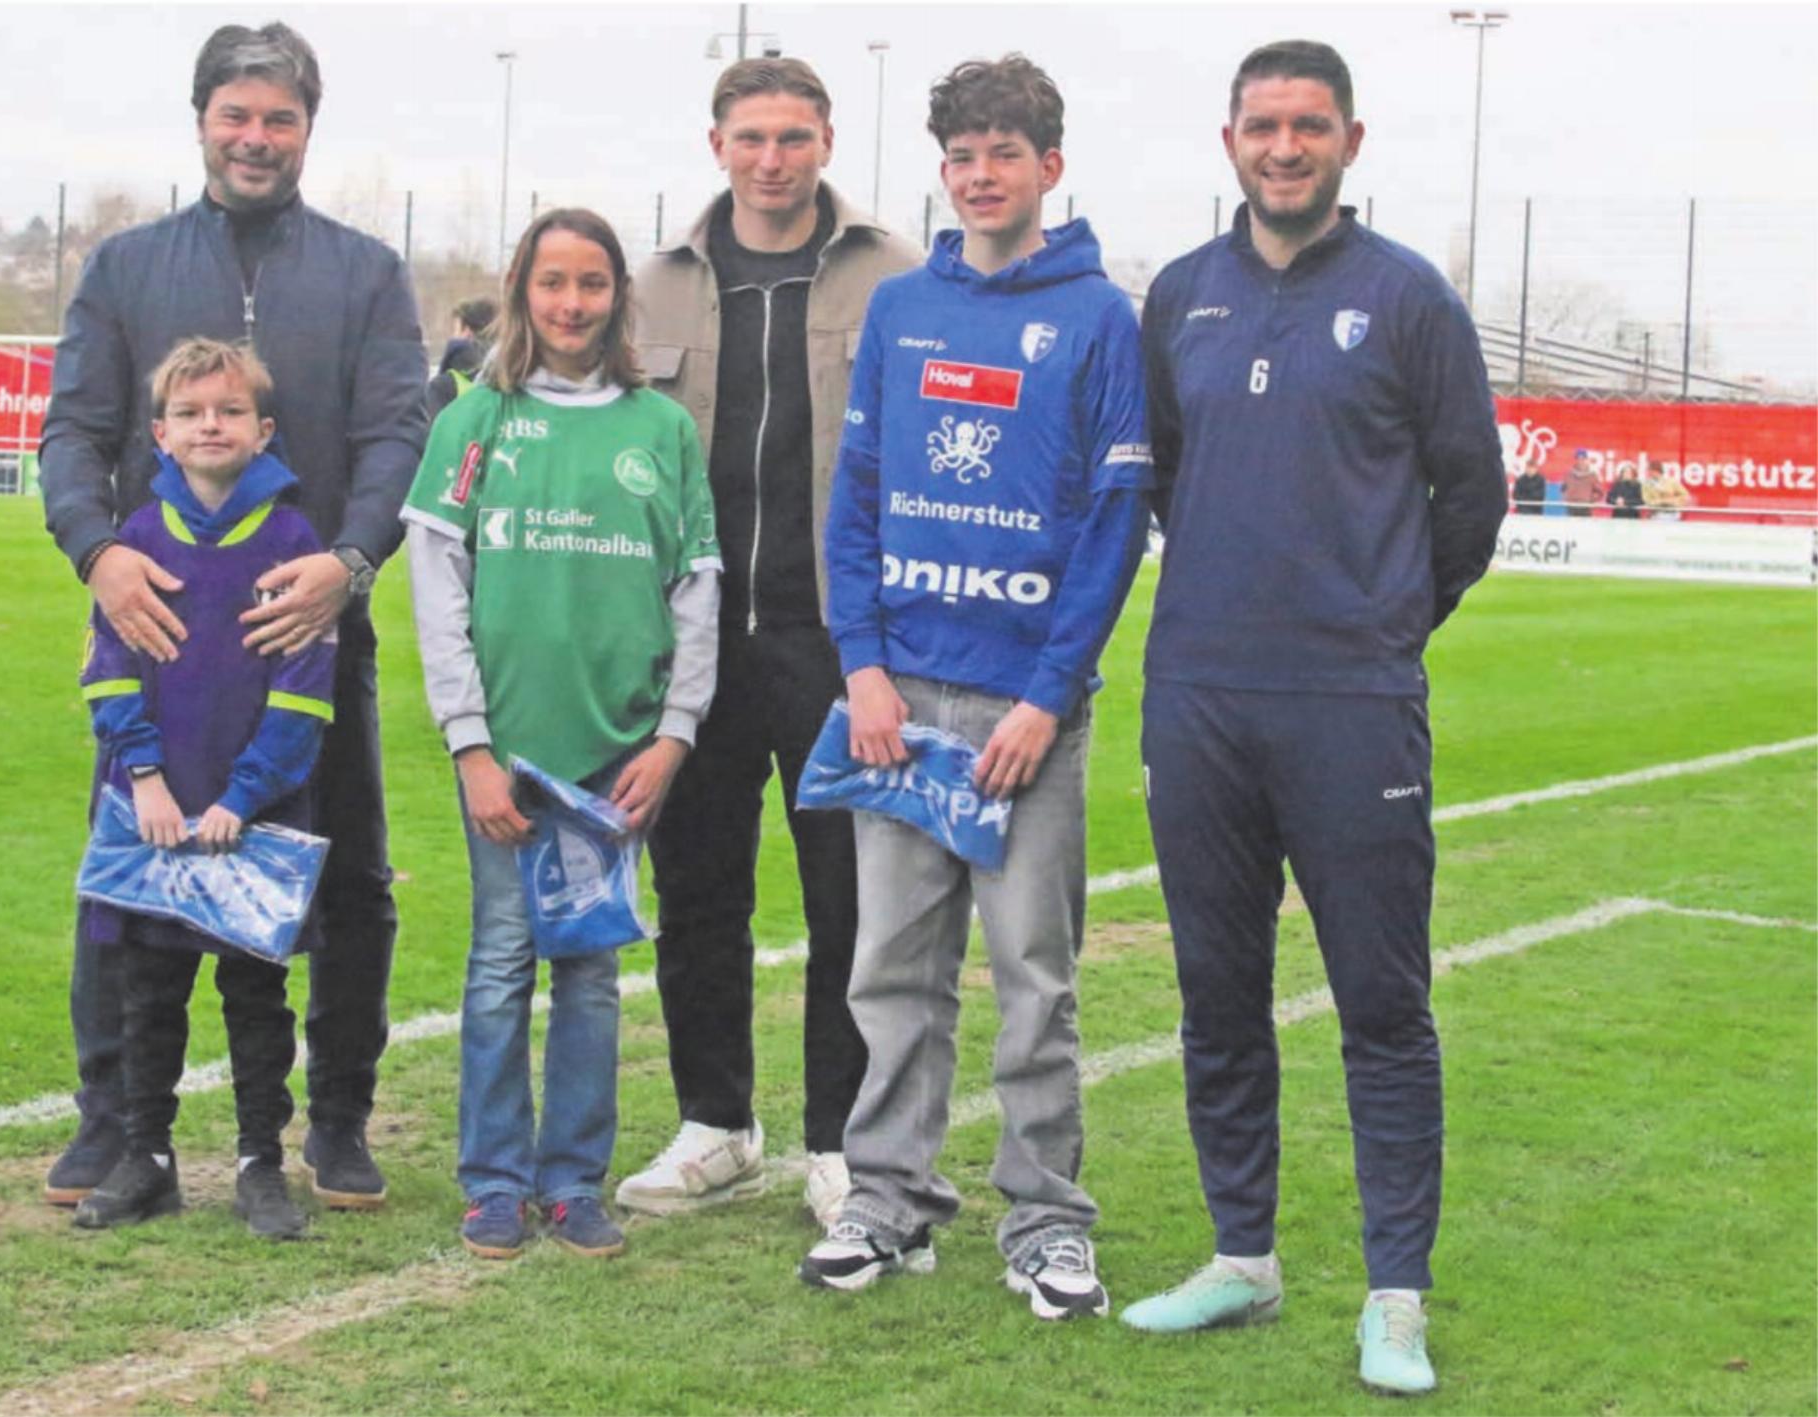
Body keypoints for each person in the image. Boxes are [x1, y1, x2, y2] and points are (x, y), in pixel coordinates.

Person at [1126, 40, 1507, 1393]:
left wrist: (1384, 619)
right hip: (1203, 696)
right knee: (1217, 992)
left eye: (1308, 126)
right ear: (1228, 138)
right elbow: (1166, 475)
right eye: (1262, 126)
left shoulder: (1409, 299)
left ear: (1351, 138)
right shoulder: (1179, 295)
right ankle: (1243, 1256)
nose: (1283, 147)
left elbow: (1471, 498)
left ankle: (1394, 1295)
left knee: (1382, 1005)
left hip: (1354, 701)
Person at [39, 21, 426, 1212]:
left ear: (309, 127)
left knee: (345, 873)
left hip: (312, 636)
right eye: (237, 116)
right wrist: (100, 554)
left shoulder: (365, 271)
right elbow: (73, 432)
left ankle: (336, 1123)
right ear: (200, 118)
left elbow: (393, 438)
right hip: (155, 634)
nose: (257, 139)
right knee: (127, 868)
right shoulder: (127, 265)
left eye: (280, 118)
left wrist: (350, 562)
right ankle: (114, 1124)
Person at [797, 54, 1151, 1322]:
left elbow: (1115, 521)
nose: (981, 175)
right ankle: (888, 1202)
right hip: (901, 703)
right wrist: (865, 669)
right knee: (889, 970)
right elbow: (859, 494)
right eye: (961, 157)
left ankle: (1049, 1223)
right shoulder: (904, 309)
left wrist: (1049, 699)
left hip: (1024, 718)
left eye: (1004, 154)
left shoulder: (1101, 317)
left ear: (1049, 168)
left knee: (1033, 979)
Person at [620, 58, 920, 1229]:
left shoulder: (896, 272)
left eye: (794, 137)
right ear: (717, 145)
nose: (772, 159)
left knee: (849, 896)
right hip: (693, 648)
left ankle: (838, 1142)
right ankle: (715, 1122)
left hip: (836, 643)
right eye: (751, 138)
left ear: (827, 141)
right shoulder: (655, 284)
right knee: (696, 890)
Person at [402, 208, 723, 1261]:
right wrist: (469, 742)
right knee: (500, 960)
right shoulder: (473, 421)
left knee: (587, 969)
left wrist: (674, 733)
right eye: (552, 283)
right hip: (503, 751)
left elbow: (695, 591)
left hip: (615, 757)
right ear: (521, 290)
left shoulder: (659, 429)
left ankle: (575, 1181)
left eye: (592, 284)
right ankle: (493, 1180)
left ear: (618, 297)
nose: (571, 304)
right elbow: (437, 591)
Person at [72, 338, 333, 1241]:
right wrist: (142, 776)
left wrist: (247, 794)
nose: (209, 424)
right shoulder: (135, 540)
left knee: (257, 998)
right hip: (156, 811)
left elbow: (304, 687)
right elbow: (108, 669)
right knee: (149, 992)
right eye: (190, 413)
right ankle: (147, 1157)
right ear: (160, 434)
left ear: (264, 431)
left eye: (228, 411)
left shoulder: (294, 540)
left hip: (253, 815)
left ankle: (262, 1161)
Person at [426, 297, 497, 421]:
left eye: (456, 330)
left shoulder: (443, 386)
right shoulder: (517, 378)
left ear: (467, 332)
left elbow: (434, 436)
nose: (453, 336)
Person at [1563, 448, 1603, 517]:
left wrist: (1591, 501)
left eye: (1582, 459)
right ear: (1576, 460)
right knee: (1571, 527)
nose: (1580, 461)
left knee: (1586, 527)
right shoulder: (1569, 474)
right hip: (1572, 507)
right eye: (1578, 459)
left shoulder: (1592, 475)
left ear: (1586, 460)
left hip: (1585, 508)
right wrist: (1567, 499)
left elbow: (1600, 492)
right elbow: (1563, 489)